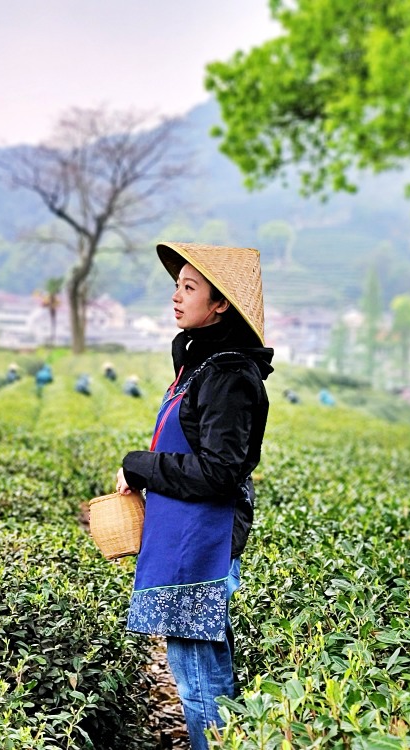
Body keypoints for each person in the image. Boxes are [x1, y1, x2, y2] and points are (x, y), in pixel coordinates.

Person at [115, 241, 273, 750]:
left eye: (189, 287)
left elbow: (219, 471)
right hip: (188, 539)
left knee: (202, 685)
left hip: (200, 547)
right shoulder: (204, 364)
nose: (176, 297)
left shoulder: (227, 374)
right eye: (176, 285)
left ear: (220, 303)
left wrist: (140, 464)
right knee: (199, 677)